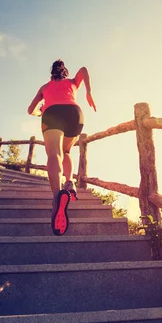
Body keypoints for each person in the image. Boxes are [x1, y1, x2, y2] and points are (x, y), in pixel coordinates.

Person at [27, 60, 96, 235]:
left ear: (52, 75)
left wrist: (40, 112)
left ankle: (57, 197)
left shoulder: (44, 87)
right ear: (65, 73)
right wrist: (88, 92)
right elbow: (84, 69)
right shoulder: (73, 82)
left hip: (52, 113)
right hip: (74, 113)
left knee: (54, 154)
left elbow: (30, 110)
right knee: (66, 151)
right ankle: (69, 182)